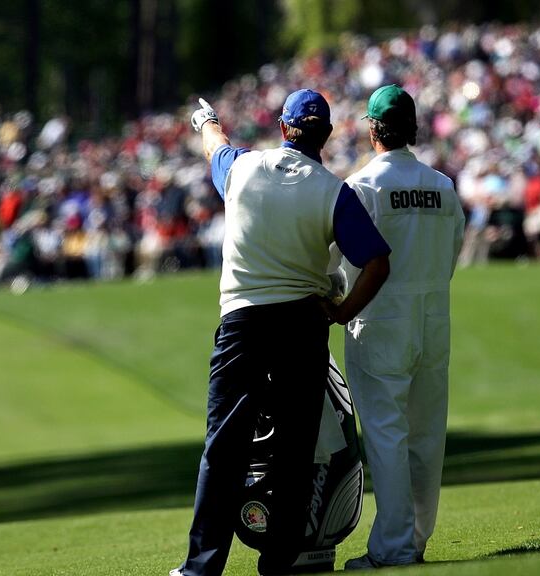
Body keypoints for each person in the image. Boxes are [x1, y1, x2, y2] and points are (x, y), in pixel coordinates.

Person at [172, 91, 392, 576]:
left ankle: (201, 568)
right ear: (327, 134)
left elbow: (215, 144)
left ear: (283, 127)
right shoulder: (333, 192)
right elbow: (377, 263)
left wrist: (205, 118)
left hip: (244, 323)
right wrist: (342, 310)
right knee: (294, 451)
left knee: (224, 447)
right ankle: (278, 563)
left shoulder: (244, 168)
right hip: (302, 324)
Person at [338, 85, 465, 570]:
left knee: (386, 433)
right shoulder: (443, 185)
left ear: (372, 129)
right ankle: (415, 538)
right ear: (412, 128)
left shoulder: (362, 187)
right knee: (426, 432)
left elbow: (340, 263)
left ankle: (393, 547)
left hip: (379, 317)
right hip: (433, 315)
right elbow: (452, 253)